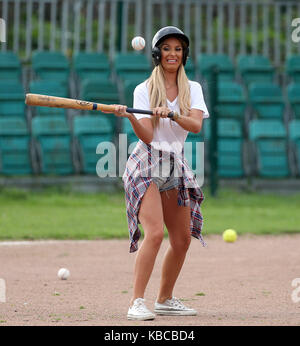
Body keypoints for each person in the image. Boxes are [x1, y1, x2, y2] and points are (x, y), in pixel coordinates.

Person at [110, 26, 209, 320]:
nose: (173, 54)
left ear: (184, 55)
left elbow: (195, 126)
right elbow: (148, 136)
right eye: (167, 49)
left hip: (174, 164)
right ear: (157, 54)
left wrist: (174, 114)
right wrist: (131, 116)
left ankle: (165, 298)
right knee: (154, 233)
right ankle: (137, 302)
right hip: (146, 163)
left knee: (181, 240)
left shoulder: (194, 89)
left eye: (178, 49)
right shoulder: (143, 90)